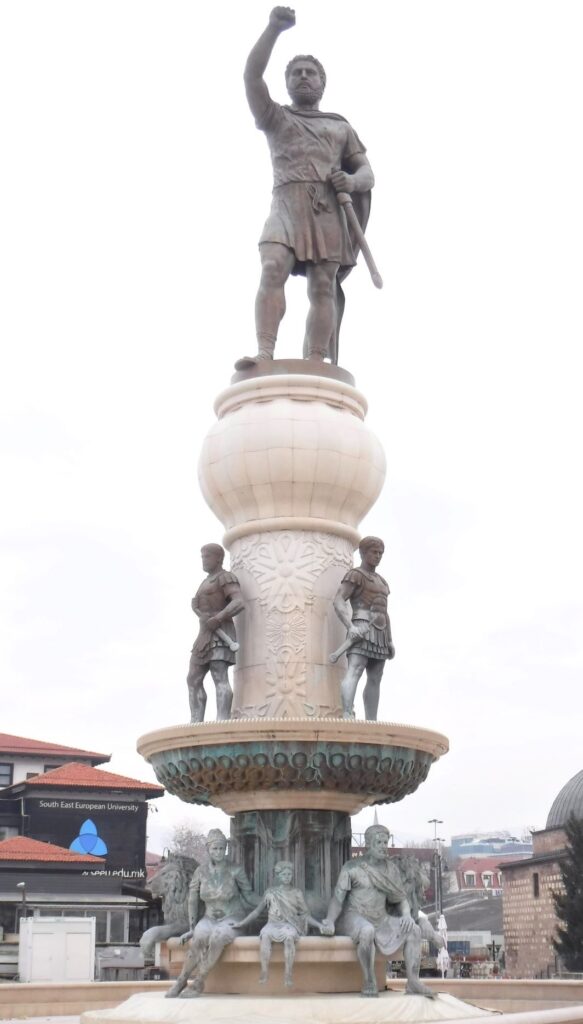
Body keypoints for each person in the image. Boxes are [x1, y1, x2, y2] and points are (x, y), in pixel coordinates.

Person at [236, 6, 375, 368]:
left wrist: (351, 179)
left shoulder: (339, 127)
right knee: (272, 266)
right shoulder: (275, 116)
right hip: (285, 203)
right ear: (287, 83)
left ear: (321, 82)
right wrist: (273, 29)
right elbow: (251, 76)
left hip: (325, 208)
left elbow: (367, 174)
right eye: (296, 72)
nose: (303, 77)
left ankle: (316, 359)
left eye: (310, 73)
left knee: (322, 287)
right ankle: (264, 352)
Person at [322, 824, 444, 998]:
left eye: (385, 842)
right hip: (354, 916)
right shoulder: (352, 867)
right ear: (368, 844)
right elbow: (337, 899)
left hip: (381, 918)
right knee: (367, 931)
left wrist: (407, 915)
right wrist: (329, 920)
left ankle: (413, 981)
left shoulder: (391, 869)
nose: (383, 846)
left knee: (414, 930)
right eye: (378, 842)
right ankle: (369, 979)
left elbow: (400, 898)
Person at [165, 829, 257, 998]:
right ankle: (181, 980)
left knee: (218, 937)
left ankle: (199, 982)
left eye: (222, 848)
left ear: (226, 849)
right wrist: (192, 927)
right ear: (208, 850)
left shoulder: (236, 870)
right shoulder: (200, 872)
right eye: (215, 849)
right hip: (208, 918)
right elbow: (193, 900)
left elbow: (249, 896)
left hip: (233, 918)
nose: (219, 852)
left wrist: (268, 901)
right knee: (199, 938)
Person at [237, 860, 332, 988]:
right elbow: (257, 911)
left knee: (289, 937)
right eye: (284, 874)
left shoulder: (297, 892)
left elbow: (304, 914)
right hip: (272, 924)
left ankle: (288, 972)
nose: (287, 877)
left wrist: (320, 925)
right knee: (265, 935)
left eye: (289, 874)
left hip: (289, 924)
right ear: (278, 876)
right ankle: (264, 970)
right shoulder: (271, 892)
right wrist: (243, 923)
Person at [331, 536, 394, 720]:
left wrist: (390, 640)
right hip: (361, 627)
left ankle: (371, 721)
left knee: (376, 678)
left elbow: (385, 611)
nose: (378, 556)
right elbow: (338, 601)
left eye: (380, 553)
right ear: (362, 553)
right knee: (355, 670)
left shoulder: (382, 582)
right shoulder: (355, 575)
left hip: (381, 633)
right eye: (374, 552)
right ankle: (347, 712)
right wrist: (350, 626)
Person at [186, 544, 244, 722]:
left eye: (207, 556)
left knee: (219, 676)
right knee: (192, 679)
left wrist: (218, 618)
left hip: (221, 633)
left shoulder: (225, 577)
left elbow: (239, 602)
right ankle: (195, 721)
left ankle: (222, 720)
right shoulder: (205, 581)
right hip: (204, 634)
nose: (203, 560)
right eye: (202, 556)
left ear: (218, 558)